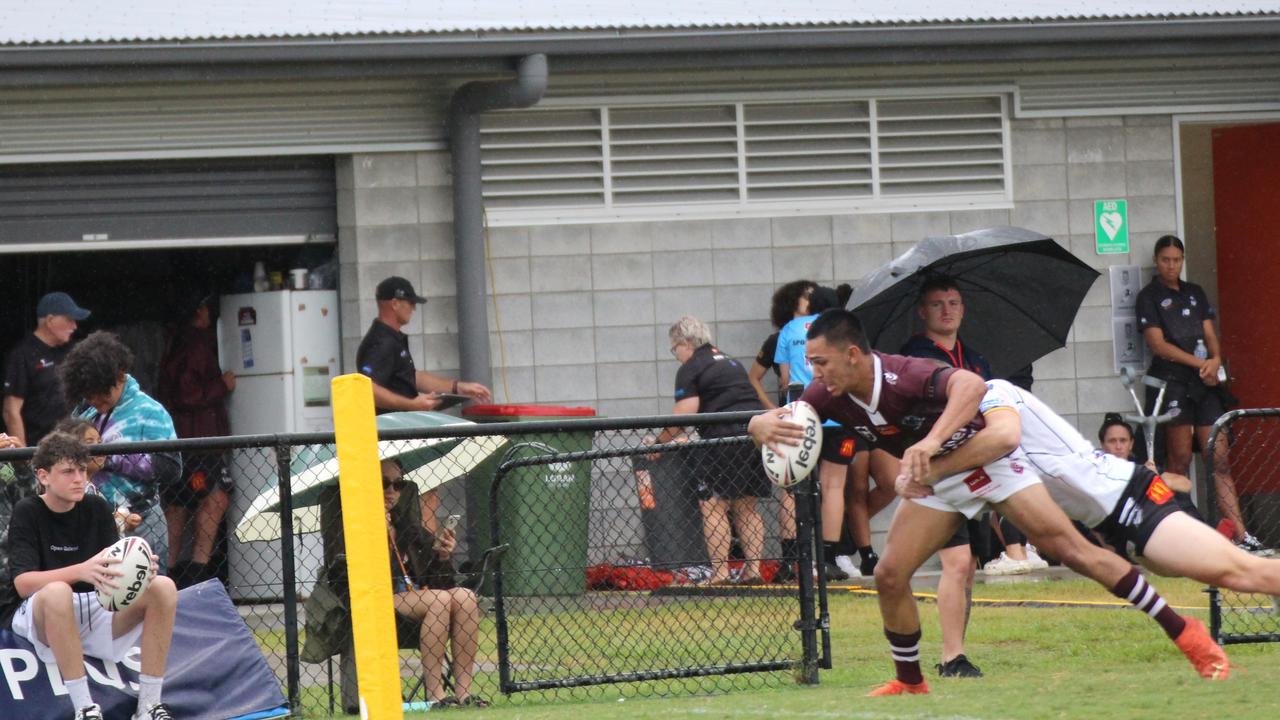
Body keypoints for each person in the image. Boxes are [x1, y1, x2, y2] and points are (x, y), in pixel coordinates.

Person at [748, 310, 1228, 696]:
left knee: (1068, 549)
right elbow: (781, 419)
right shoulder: (826, 394)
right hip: (938, 481)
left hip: (986, 461)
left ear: (853, 355)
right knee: (891, 574)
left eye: (821, 361)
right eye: (811, 363)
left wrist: (930, 444)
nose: (814, 371)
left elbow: (972, 386)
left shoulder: (904, 374)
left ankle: (1183, 631)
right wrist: (759, 426)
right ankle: (910, 682)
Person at [908, 379, 1280, 639]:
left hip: (1133, 501)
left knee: (1241, 573)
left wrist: (928, 465)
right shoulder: (969, 446)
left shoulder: (995, 396)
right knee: (1206, 569)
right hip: (1113, 527)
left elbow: (1004, 437)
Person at [2, 431, 178, 720]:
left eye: (82, 470)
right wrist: (81, 570)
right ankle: (85, 708)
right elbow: (23, 585)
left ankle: (148, 706)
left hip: (96, 608)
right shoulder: (28, 511)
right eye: (68, 471)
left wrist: (138, 571)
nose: (79, 478)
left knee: (163, 587)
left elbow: (112, 581)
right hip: (43, 612)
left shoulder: (96, 506)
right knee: (58, 591)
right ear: (43, 476)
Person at [1135, 235, 1266, 554]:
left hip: (1205, 384)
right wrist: (1200, 363)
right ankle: (1180, 533)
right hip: (1173, 381)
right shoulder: (1149, 296)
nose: (1171, 265)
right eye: (1165, 259)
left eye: (1176, 259)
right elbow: (1158, 345)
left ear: (1183, 260)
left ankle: (1239, 532)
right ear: (1157, 260)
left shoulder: (1194, 292)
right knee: (1178, 459)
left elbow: (1210, 334)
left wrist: (1216, 360)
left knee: (1218, 458)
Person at [356, 276, 492, 534]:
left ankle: (424, 556)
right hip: (390, 439)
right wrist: (411, 404)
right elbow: (367, 388)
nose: (413, 308)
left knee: (427, 492)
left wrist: (456, 387)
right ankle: (425, 559)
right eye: (409, 302)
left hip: (403, 435)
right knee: (420, 496)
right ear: (394, 303)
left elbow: (411, 377)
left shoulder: (393, 339)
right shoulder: (380, 342)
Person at [775, 287, 890, 580]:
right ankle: (828, 557)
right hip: (838, 414)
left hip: (802, 412)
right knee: (834, 487)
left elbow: (785, 378)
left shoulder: (789, 329)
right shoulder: (840, 331)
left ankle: (791, 561)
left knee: (791, 486)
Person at [660, 316, 768, 585]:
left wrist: (660, 443)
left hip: (721, 438)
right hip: (754, 435)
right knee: (747, 506)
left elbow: (684, 415)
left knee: (713, 505)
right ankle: (753, 571)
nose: (676, 356)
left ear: (685, 343)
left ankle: (720, 573)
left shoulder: (692, 367)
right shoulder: (730, 362)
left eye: (675, 349)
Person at [61, 331, 180, 575]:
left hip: (141, 522)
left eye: (99, 393)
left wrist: (108, 457)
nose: (94, 400)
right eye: (88, 393)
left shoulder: (150, 411)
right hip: (89, 522)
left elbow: (172, 468)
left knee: (147, 597)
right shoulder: (84, 411)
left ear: (118, 377)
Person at [381, 458, 487, 708]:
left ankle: (463, 694)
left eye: (398, 484)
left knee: (464, 597)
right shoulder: (352, 525)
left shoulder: (406, 525)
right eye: (383, 483)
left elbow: (442, 581)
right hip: (377, 601)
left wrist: (442, 555)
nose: (391, 491)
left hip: (419, 600)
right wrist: (379, 536)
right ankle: (435, 694)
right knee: (439, 600)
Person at [157, 295, 237, 587]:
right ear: (199, 311)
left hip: (184, 441)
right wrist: (221, 385)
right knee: (214, 497)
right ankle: (197, 572)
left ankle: (169, 572)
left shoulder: (176, 341)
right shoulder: (195, 344)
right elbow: (186, 394)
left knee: (179, 503)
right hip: (198, 442)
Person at [748, 280, 816, 583]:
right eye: (806, 300)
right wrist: (770, 408)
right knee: (790, 487)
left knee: (821, 488)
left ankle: (820, 555)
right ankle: (791, 559)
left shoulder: (823, 332)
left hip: (821, 416)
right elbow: (755, 377)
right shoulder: (780, 338)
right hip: (792, 415)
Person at [3, 292, 91, 448]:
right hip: (40, 449)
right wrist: (24, 454)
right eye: (69, 320)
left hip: (74, 446)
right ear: (50, 320)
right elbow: (11, 410)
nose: (74, 326)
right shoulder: (23, 355)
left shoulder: (73, 352)